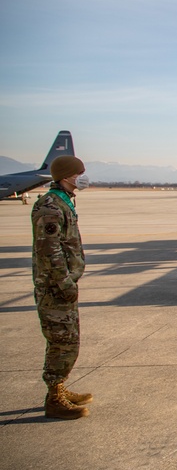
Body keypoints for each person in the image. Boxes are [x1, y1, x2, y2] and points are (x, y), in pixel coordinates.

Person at [31, 155, 92, 419]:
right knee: (62, 341)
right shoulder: (50, 206)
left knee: (67, 340)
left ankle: (59, 387)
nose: (82, 177)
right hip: (55, 287)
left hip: (61, 284)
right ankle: (54, 398)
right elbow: (49, 249)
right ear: (66, 176)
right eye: (79, 173)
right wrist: (64, 281)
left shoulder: (63, 202)